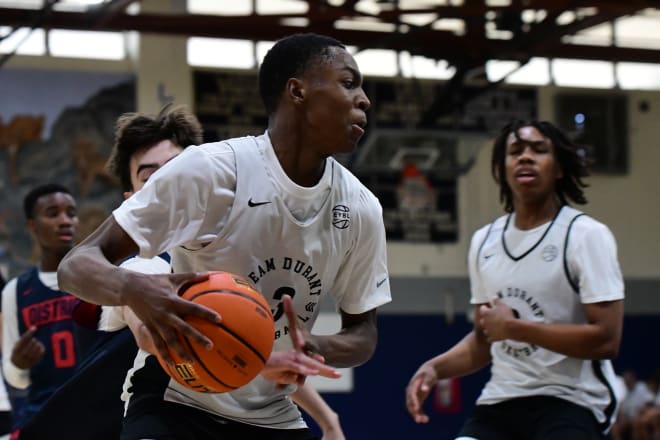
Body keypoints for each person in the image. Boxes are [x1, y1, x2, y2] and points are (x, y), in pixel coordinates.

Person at [58, 32, 389, 439]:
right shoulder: (211, 171)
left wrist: (317, 345)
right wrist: (135, 289)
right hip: (177, 401)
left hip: (272, 413)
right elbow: (76, 265)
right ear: (297, 91)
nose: (364, 99)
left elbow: (364, 332)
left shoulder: (361, 207)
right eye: (348, 82)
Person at [405, 119, 624, 439]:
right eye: (515, 151)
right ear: (502, 169)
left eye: (539, 150)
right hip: (501, 399)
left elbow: (606, 339)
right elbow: (484, 340)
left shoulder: (585, 235)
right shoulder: (484, 241)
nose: (525, 157)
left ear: (559, 168)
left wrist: (517, 329)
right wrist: (436, 368)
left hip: (572, 399)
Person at [1, 183, 81, 438]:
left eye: (71, 212)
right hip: (42, 416)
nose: (65, 221)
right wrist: (17, 363)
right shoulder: (15, 291)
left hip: (95, 413)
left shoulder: (99, 280)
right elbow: (14, 379)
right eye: (53, 213)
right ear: (32, 226)